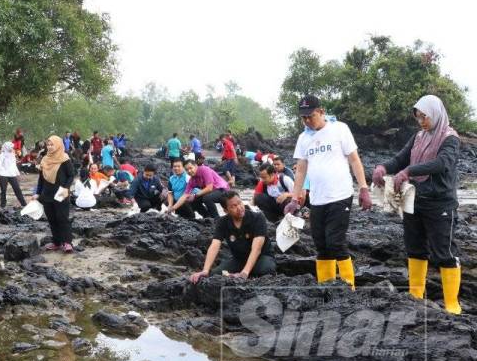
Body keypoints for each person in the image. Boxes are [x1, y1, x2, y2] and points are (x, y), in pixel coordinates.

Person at [372, 95, 462, 314]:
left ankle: (452, 303)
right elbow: (401, 159)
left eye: (425, 116)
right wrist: (383, 167)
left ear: (436, 113)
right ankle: (415, 296)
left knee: (445, 252)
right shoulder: (418, 137)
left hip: (440, 203)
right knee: (415, 248)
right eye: (418, 117)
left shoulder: (450, 138)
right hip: (413, 200)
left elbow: (442, 164)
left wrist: (409, 171)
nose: (421, 121)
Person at [285, 95, 372, 289]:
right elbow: (300, 169)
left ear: (321, 112)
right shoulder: (303, 138)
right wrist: (294, 198)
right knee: (321, 245)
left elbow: (354, 160)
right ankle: (326, 287)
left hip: (340, 196)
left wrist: (364, 188)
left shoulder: (340, 129)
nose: (307, 120)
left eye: (310, 116)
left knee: (335, 242)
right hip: (317, 199)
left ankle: (349, 288)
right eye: (303, 117)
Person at [190, 191, 276, 283]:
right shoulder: (222, 222)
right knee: (216, 274)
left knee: (266, 269)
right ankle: (241, 271)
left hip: (261, 257)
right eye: (233, 206)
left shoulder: (258, 218)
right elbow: (215, 245)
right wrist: (205, 270)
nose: (239, 208)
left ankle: (246, 271)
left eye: (239, 203)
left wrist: (245, 273)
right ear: (226, 210)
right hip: (239, 259)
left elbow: (256, 249)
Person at [33, 136, 75, 253]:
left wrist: (66, 188)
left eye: (52, 145)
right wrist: (37, 193)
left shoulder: (65, 159)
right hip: (47, 194)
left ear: (58, 145)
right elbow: (41, 179)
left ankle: (67, 242)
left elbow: (71, 175)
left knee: (62, 218)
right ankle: (57, 242)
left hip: (61, 193)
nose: (50, 147)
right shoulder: (44, 160)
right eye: (48, 145)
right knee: (52, 219)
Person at [0, 141, 27, 208]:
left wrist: (18, 174)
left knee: (17, 189)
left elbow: (14, 165)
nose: (12, 148)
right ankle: (2, 205)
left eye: (12, 147)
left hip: (12, 175)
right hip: (3, 175)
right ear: (7, 148)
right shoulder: (2, 155)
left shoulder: (12, 154)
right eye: (11, 147)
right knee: (3, 191)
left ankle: (24, 204)